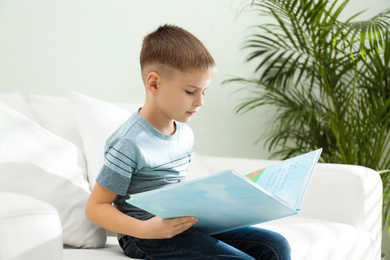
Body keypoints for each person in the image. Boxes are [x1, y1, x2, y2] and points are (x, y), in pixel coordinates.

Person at [85, 24, 291, 260]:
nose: (200, 102)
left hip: (182, 224)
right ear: (154, 84)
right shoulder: (129, 142)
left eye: (204, 92)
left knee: (276, 245)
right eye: (191, 91)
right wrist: (148, 229)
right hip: (143, 236)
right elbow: (96, 207)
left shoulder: (184, 133)